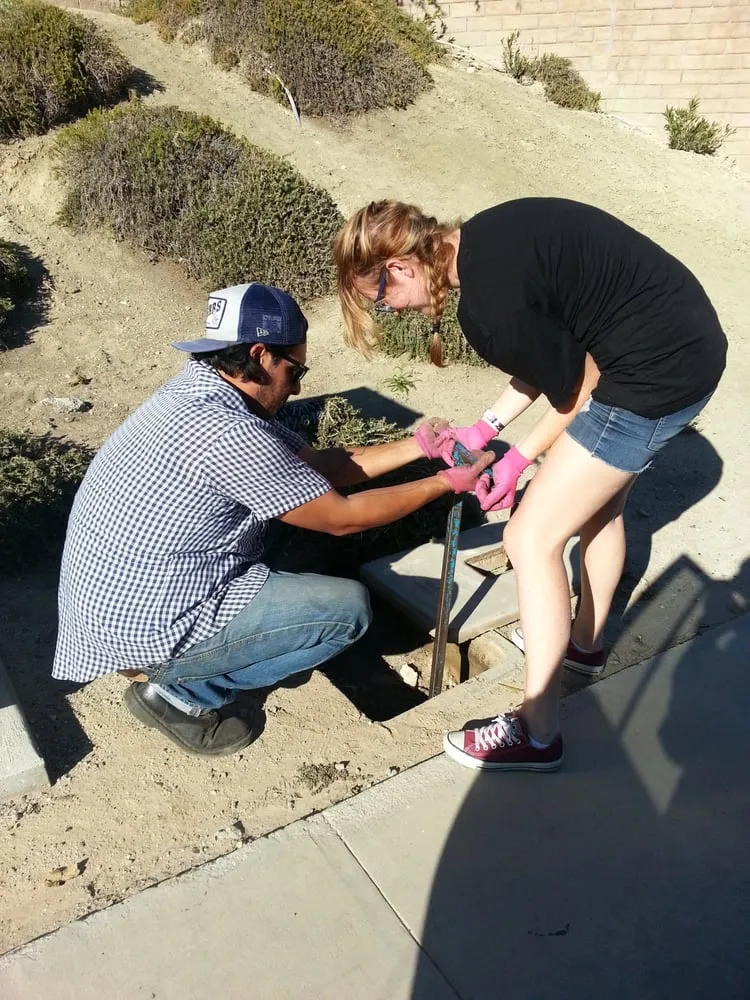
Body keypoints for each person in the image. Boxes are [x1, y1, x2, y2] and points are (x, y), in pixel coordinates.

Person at [334, 197, 727, 772]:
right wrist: (486, 426)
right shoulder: (487, 237)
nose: (395, 312)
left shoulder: (487, 307)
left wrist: (516, 459)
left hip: (651, 374)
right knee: (599, 505)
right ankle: (585, 649)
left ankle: (538, 733)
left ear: (400, 266)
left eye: (384, 301)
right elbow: (555, 357)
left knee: (528, 539)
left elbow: (575, 391)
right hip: (688, 343)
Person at [52, 282, 491, 757]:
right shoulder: (230, 432)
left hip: (119, 603)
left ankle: (188, 660)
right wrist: (445, 484)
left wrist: (420, 447)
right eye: (295, 369)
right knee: (347, 611)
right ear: (260, 355)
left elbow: (318, 466)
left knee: (286, 524)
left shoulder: (202, 390)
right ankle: (180, 693)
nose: (299, 386)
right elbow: (343, 518)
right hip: (143, 624)